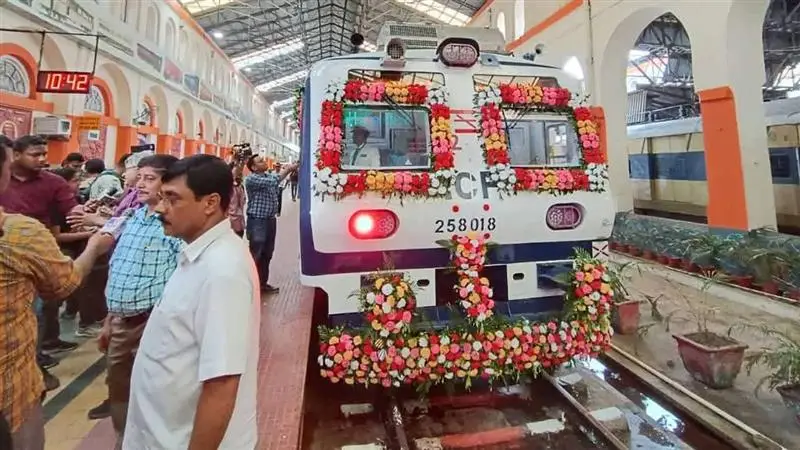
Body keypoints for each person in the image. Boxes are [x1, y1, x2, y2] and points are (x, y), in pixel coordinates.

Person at [123, 155, 259, 450]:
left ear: (210, 203)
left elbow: (221, 383)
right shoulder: (197, 256)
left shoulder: (222, 271)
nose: (160, 208)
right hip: (165, 434)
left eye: (172, 198)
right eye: (162, 197)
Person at [0, 134, 112, 450]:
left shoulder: (51, 184)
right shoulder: (16, 231)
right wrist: (93, 248)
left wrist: (82, 214)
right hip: (10, 388)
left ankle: (44, 347)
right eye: (33, 154)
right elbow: (64, 284)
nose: (42, 159)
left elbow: (71, 209)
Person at [95, 154, 182, 449]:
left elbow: (181, 277)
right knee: (118, 388)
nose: (139, 184)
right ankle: (125, 439)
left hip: (152, 322)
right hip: (121, 322)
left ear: (167, 183)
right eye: (139, 177)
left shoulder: (172, 225)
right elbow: (118, 267)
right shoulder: (134, 218)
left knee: (155, 390)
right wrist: (109, 319)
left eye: (149, 178)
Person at [243, 155, 297, 294]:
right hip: (257, 220)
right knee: (256, 253)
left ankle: (262, 283)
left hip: (269, 220)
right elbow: (275, 181)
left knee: (267, 253)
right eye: (260, 161)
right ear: (254, 167)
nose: (264, 162)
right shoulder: (252, 179)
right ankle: (250, 285)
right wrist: (288, 169)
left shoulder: (267, 176)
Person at [228, 161, 245, 237]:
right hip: (230, 221)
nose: (239, 172)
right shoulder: (227, 187)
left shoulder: (239, 186)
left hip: (239, 220)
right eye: (237, 171)